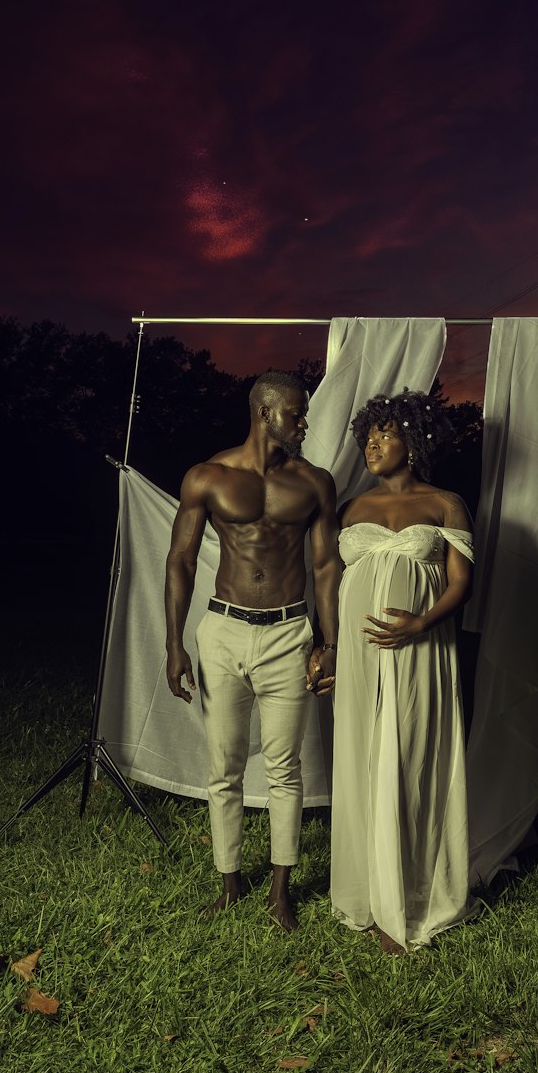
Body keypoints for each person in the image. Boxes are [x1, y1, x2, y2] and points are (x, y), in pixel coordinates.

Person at [165, 370, 340, 931]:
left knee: (286, 768)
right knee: (225, 766)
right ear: (265, 413)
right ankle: (230, 879)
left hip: (289, 631)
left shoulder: (314, 482)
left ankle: (281, 890)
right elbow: (181, 561)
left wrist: (330, 641)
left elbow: (326, 567)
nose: (304, 421)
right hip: (222, 633)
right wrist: (173, 643)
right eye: (297, 412)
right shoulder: (207, 476)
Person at [330, 389, 474, 953]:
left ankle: (411, 897)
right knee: (364, 755)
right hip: (362, 653)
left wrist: (420, 624)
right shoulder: (353, 508)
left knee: (412, 753)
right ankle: (368, 891)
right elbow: (336, 581)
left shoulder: (445, 503)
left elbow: (461, 583)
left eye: (384, 435)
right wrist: (332, 648)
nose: (371, 443)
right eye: (368, 435)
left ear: (411, 444)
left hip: (420, 650)